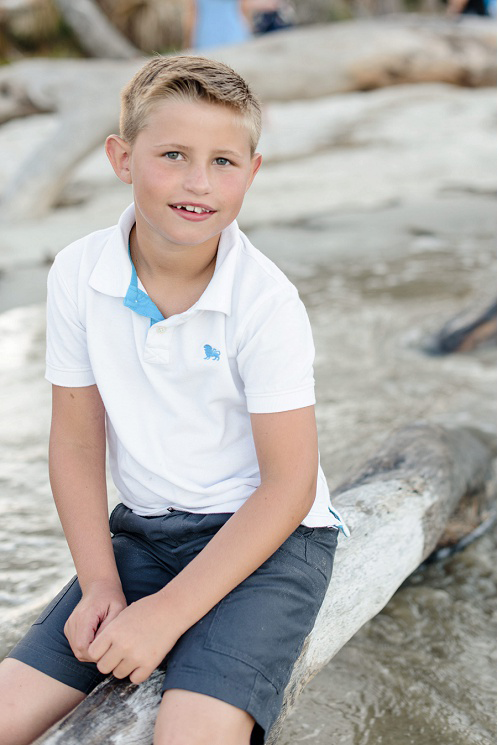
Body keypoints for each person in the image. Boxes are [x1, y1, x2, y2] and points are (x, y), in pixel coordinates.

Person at [0, 55, 346, 745]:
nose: (198, 182)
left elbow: (288, 485)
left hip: (271, 542)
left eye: (223, 161)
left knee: (186, 734)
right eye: (173, 155)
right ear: (122, 159)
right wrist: (100, 581)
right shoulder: (78, 272)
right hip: (145, 535)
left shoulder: (265, 301)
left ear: (252, 172)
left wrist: (166, 614)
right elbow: (74, 439)